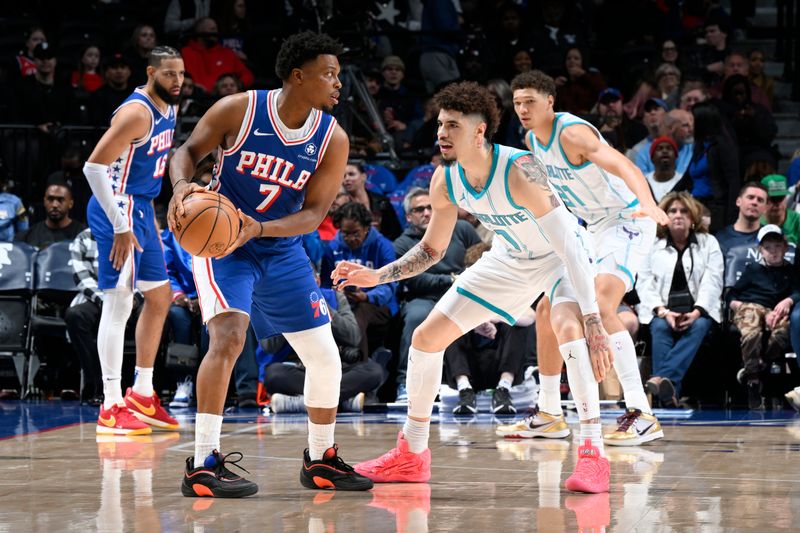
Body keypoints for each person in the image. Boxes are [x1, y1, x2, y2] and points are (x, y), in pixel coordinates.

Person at [334, 81, 615, 494]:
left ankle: (594, 452)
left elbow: (570, 243)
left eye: (452, 125)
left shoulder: (520, 169)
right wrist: (379, 275)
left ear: (479, 132)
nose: (441, 133)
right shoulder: (445, 180)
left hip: (560, 256)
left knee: (568, 330)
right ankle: (412, 454)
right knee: (427, 337)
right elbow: (430, 250)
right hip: (510, 258)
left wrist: (592, 319)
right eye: (439, 124)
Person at [167, 32, 373, 496]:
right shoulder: (238, 109)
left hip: (277, 246)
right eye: (329, 74)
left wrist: (258, 228)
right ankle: (202, 464)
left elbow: (315, 214)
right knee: (229, 337)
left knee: (324, 356)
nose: (339, 83)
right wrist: (182, 189)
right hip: (222, 246)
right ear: (298, 76)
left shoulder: (331, 138)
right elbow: (186, 153)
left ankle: (321, 459)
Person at [510, 70, 669, 447]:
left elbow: (625, 165)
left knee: (599, 304)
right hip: (591, 228)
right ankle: (549, 412)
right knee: (549, 306)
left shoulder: (572, 133)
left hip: (626, 219)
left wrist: (648, 203)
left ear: (550, 101)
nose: (522, 109)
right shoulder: (533, 141)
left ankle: (641, 412)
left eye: (529, 101)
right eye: (517, 103)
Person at [82, 47, 184, 439]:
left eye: (181, 74)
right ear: (151, 72)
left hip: (141, 208)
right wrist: (120, 223)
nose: (177, 81)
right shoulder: (135, 113)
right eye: (169, 74)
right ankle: (110, 405)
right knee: (119, 301)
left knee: (159, 297)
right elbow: (94, 167)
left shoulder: (170, 108)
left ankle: (142, 393)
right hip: (116, 208)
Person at [392, 187, 482, 401]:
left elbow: (482, 258)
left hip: (464, 294)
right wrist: (452, 279)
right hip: (425, 297)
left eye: (430, 207)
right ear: (408, 216)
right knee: (415, 317)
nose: (426, 213)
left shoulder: (462, 228)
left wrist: (461, 280)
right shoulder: (402, 243)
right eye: (419, 209)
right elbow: (415, 280)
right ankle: (406, 383)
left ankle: (505, 383)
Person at [637, 193, 723, 405]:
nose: (678, 215)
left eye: (683, 211)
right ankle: (670, 390)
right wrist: (663, 312)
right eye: (672, 211)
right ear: (664, 216)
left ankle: (662, 382)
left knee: (700, 325)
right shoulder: (652, 244)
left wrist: (696, 312)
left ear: (693, 217)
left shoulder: (708, 242)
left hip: (697, 310)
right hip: (662, 311)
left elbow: (713, 280)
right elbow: (644, 281)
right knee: (659, 328)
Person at [729, 225, 800, 409]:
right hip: (750, 307)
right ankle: (753, 379)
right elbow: (732, 293)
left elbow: (797, 291)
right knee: (752, 331)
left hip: (774, 310)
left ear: (785, 248)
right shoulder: (753, 269)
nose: (773, 252)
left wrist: (788, 301)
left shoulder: (791, 271)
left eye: (777, 246)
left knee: (783, 331)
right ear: (760, 250)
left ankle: (759, 364)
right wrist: (736, 305)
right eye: (768, 247)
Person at [320, 202, 398, 360]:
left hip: (379, 305)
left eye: (355, 233)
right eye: (345, 233)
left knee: (360, 312)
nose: (350, 238)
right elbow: (326, 286)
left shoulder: (383, 246)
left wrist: (367, 296)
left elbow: (390, 285)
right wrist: (338, 294)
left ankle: (359, 365)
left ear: (366, 228)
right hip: (344, 302)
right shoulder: (331, 248)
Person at [180, 17, 253, 93]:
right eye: (212, 29)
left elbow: (247, 76)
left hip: (223, 100)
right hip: (195, 99)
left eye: (216, 29)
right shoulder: (185, 52)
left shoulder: (227, 53)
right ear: (200, 31)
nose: (216, 32)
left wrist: (236, 86)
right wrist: (193, 87)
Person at [15, 179, 85, 248]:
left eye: (60, 200)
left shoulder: (84, 235)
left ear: (71, 203)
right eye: (50, 199)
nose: (55, 205)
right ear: (44, 201)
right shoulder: (26, 238)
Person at [341, 161, 402, 240]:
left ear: (364, 177)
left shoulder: (381, 202)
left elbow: (395, 232)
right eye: (343, 176)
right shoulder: (341, 204)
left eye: (351, 174)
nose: (347, 179)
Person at [645, 136, 691, 202]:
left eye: (669, 148)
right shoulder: (644, 182)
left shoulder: (683, 181)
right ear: (652, 158)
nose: (664, 151)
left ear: (676, 157)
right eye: (659, 149)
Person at [760, 174, 800, 244]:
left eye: (780, 198)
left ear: (786, 197)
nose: (777, 204)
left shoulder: (797, 221)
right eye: (773, 199)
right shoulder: (756, 222)